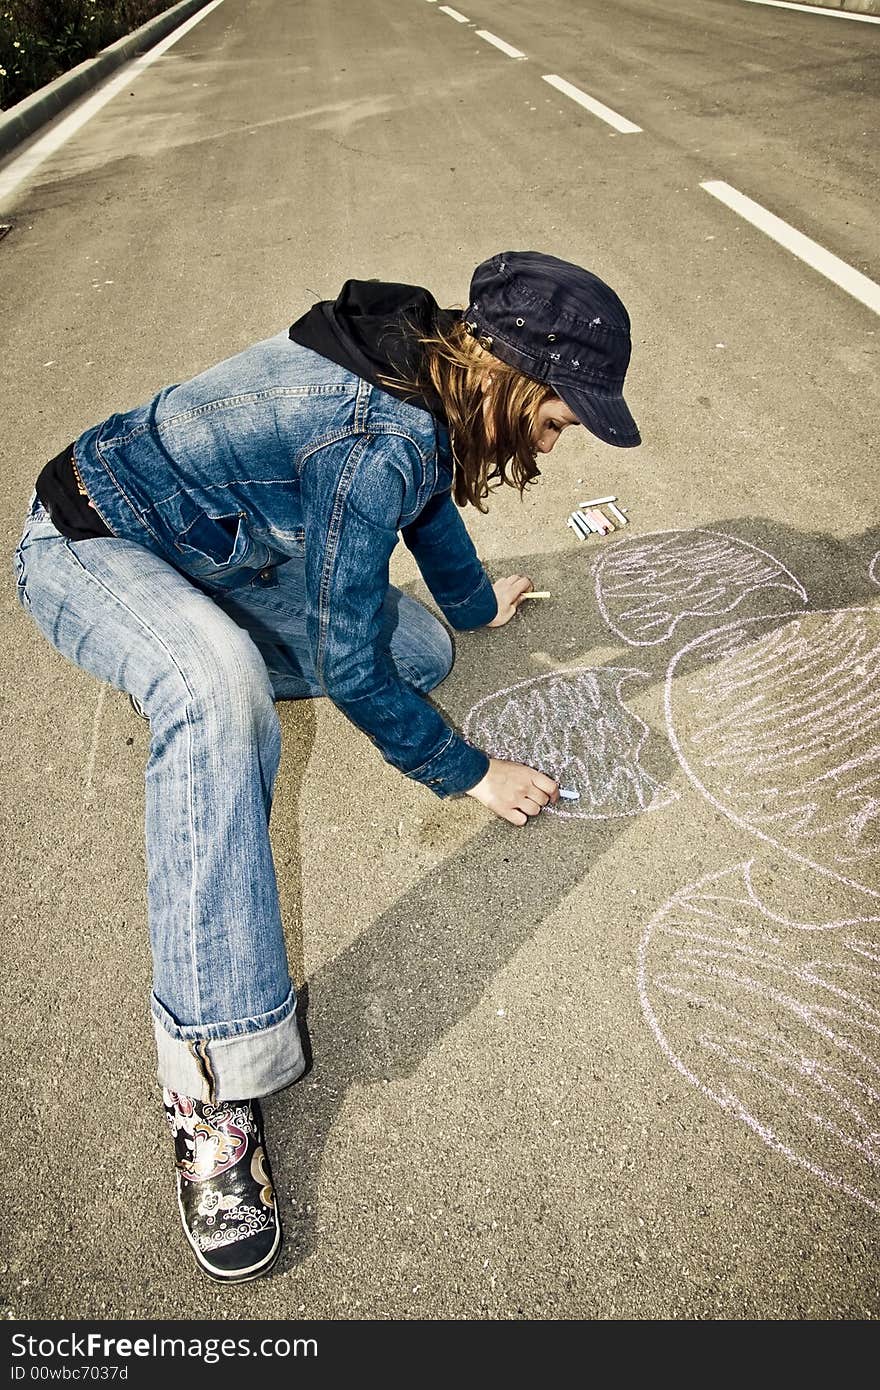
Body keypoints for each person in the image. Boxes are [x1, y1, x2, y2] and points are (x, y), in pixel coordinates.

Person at [13, 251, 640, 1283]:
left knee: (423, 651)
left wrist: (476, 605)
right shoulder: (376, 435)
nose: (554, 441)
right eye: (559, 418)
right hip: (89, 544)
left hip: (214, 556)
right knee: (219, 693)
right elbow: (349, 658)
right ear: (511, 376)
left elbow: (429, 509)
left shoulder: (428, 365)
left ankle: (187, 647)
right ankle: (209, 1089)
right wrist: (465, 770)